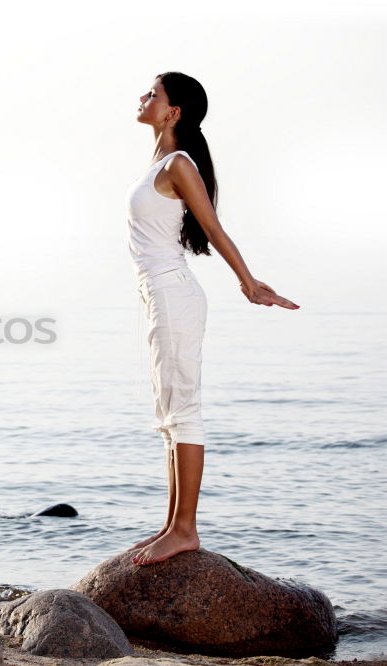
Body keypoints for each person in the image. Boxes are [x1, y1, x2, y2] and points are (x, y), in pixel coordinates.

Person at [124, 72, 300, 566]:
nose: (143, 98)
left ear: (173, 110)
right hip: (157, 295)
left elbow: (213, 228)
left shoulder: (179, 164)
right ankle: (170, 523)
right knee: (167, 415)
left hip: (173, 294)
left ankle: (186, 530)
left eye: (153, 94)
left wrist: (249, 283)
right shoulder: (158, 161)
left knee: (183, 410)